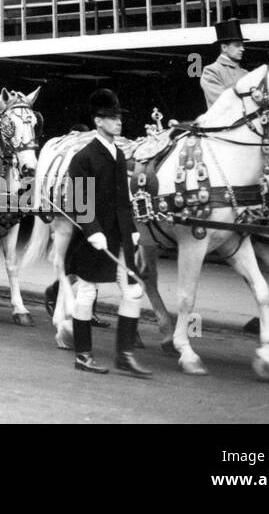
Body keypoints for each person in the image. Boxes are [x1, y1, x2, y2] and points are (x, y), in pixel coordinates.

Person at [64, 88, 152, 377]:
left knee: (134, 290)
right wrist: (92, 231)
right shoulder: (83, 158)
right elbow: (80, 202)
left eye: (119, 118)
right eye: (112, 118)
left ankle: (124, 355)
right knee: (87, 291)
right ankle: (83, 355)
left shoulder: (117, 154)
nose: (119, 122)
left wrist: (133, 232)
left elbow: (123, 200)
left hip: (120, 237)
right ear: (98, 122)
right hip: (95, 238)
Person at [200, 18, 246, 108]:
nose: (242, 49)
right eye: (237, 45)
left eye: (242, 45)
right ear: (224, 47)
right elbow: (223, 102)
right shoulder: (211, 71)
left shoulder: (245, 72)